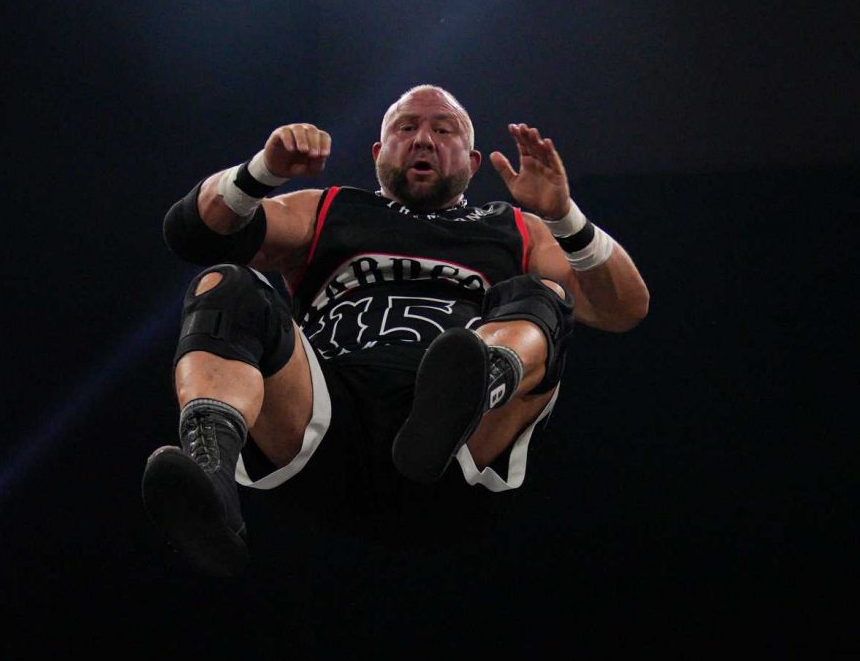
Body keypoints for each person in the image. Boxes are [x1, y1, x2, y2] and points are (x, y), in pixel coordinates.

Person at [143, 86, 652, 573]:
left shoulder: (516, 229)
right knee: (225, 286)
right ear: (378, 152)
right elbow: (193, 234)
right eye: (406, 128)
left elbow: (624, 308)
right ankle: (210, 483)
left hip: (457, 446)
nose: (423, 139)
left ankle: (475, 386)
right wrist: (262, 171)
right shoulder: (330, 209)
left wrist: (565, 218)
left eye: (444, 130)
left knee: (547, 295)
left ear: (472, 162)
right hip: (327, 420)